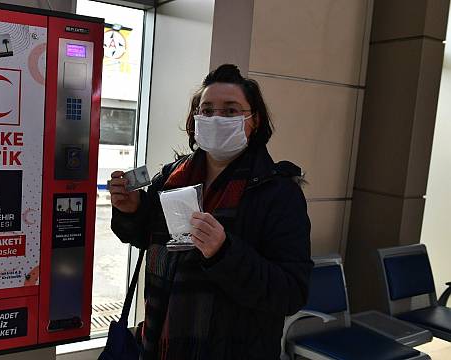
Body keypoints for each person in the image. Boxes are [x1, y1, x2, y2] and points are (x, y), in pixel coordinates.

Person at [108, 64, 312, 359]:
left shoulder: (277, 192)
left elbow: (291, 292)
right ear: (195, 119)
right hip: (161, 342)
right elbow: (147, 239)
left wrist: (224, 252)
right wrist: (132, 210)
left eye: (231, 111)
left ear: (254, 120)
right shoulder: (172, 177)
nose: (216, 118)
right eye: (206, 110)